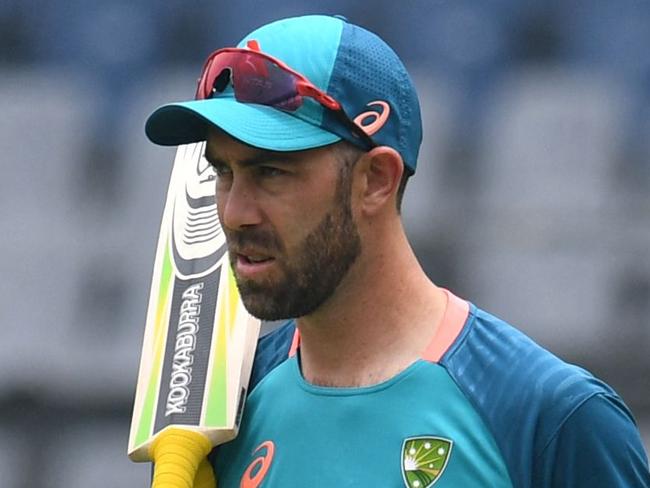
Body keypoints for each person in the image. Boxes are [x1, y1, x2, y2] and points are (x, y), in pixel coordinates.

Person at [144, 14, 650, 488]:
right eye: (223, 172)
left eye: (270, 172)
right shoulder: (219, 411)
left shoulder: (551, 418)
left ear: (376, 180)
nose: (234, 212)